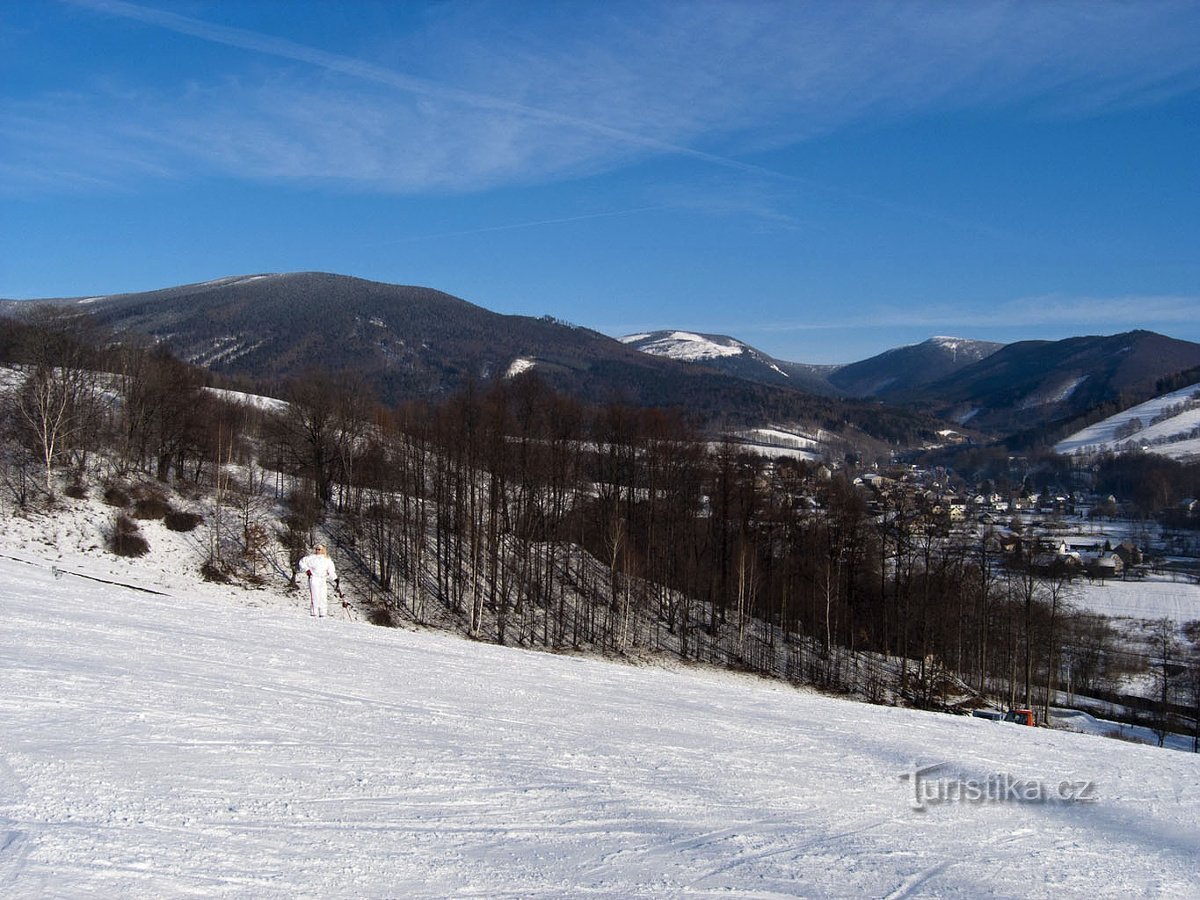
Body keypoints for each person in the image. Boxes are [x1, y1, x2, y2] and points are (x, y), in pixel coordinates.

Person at [297, 543, 339, 618]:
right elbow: (301, 563)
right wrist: (307, 570)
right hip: (314, 578)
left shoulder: (327, 560)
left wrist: (335, 578)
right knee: (315, 596)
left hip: (322, 579)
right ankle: (314, 612)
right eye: (316, 549)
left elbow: (331, 570)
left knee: (323, 596)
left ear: (323, 550)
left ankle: (323, 613)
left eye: (319, 549)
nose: (317, 551)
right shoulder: (311, 558)